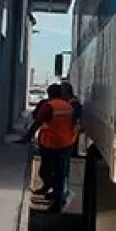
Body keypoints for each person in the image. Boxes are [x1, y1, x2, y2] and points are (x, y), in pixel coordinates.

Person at [34, 84, 81, 212]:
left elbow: (37, 121)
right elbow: (75, 123)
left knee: (47, 170)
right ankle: (56, 198)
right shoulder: (69, 106)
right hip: (65, 144)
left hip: (50, 144)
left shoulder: (49, 105)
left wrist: (27, 137)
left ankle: (55, 197)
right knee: (60, 174)